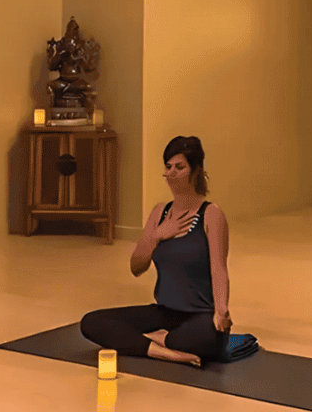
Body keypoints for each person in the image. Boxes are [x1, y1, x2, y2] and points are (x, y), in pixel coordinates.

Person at [80, 135, 232, 366]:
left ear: (196, 170)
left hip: (199, 316)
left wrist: (221, 311)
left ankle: (151, 340)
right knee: (91, 322)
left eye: (179, 167)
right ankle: (165, 350)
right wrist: (157, 235)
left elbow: (219, 269)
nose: (171, 173)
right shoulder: (160, 212)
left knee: (208, 340)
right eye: (168, 167)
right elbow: (136, 267)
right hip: (164, 313)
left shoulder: (211, 215)